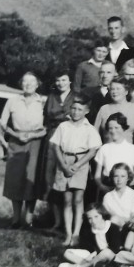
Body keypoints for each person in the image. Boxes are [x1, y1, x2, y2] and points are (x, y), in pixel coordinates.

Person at [50, 96, 102, 245]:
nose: (75, 112)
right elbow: (55, 146)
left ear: (86, 111)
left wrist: (78, 165)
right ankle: (67, 233)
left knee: (78, 199)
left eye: (80, 109)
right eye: (73, 108)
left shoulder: (89, 128)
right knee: (66, 200)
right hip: (64, 162)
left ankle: (76, 233)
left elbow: (92, 151)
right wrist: (63, 165)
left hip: (81, 162)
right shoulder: (63, 126)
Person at [0, 72, 47, 227]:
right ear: (21, 84)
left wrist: (34, 135)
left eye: (32, 82)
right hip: (16, 141)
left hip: (36, 143)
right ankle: (15, 218)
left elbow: (47, 127)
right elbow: (3, 123)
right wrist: (16, 135)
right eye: (25, 82)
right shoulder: (12, 100)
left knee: (31, 179)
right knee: (15, 179)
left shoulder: (43, 101)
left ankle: (29, 219)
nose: (28, 85)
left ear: (37, 84)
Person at [42, 71, 77, 228]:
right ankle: (55, 220)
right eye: (58, 80)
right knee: (51, 178)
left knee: (67, 179)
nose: (60, 83)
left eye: (64, 80)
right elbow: (46, 118)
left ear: (69, 81)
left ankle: (68, 220)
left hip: (70, 139)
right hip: (52, 138)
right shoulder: (51, 97)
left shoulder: (76, 96)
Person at [57, 204, 124, 267]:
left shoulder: (113, 228)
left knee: (106, 252)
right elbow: (86, 248)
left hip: (110, 255)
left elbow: (115, 248)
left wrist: (95, 253)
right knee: (67, 253)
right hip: (94, 256)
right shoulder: (88, 230)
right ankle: (97, 265)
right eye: (90, 218)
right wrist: (91, 255)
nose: (93, 221)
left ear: (102, 215)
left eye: (96, 217)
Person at [94, 113, 134, 193]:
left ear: (123, 128)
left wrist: (124, 187)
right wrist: (102, 187)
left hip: (127, 187)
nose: (113, 131)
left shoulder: (133, 149)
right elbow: (97, 175)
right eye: (110, 128)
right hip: (108, 187)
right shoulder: (104, 149)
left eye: (116, 127)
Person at [93, 77, 134, 142]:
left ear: (126, 91)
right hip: (107, 150)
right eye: (112, 89)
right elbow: (94, 133)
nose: (115, 92)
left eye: (118, 89)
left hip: (128, 150)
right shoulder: (104, 109)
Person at [102, 163, 134, 229]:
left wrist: (130, 220)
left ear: (128, 178)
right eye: (116, 176)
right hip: (114, 229)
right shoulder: (107, 197)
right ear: (112, 177)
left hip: (131, 228)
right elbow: (111, 217)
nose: (119, 180)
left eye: (123, 176)